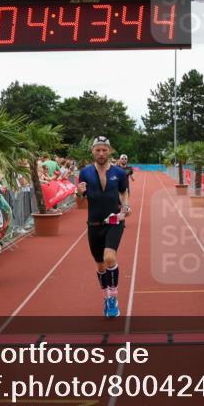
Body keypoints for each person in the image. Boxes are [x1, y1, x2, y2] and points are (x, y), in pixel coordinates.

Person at [75, 136, 130, 318]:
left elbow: (124, 192)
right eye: (98, 150)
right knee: (100, 265)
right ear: (93, 151)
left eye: (104, 150)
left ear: (109, 151)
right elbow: (79, 201)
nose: (101, 153)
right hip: (94, 224)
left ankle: (113, 296)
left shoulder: (119, 173)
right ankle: (106, 296)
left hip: (114, 221)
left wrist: (126, 207)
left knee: (109, 257)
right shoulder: (85, 173)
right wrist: (79, 193)